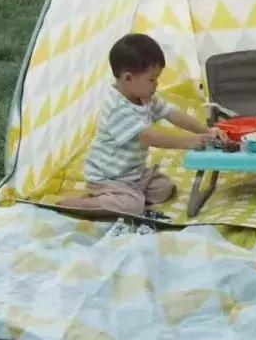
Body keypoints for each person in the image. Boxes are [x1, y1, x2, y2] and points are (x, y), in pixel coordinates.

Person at [58, 33, 225, 217]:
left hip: (134, 174)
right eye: (152, 79)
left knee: (165, 188)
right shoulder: (117, 108)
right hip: (109, 178)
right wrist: (188, 142)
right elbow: (148, 137)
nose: (157, 84)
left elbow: (173, 114)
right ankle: (81, 203)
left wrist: (208, 131)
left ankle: (126, 196)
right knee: (131, 207)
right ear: (128, 78)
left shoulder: (144, 98)